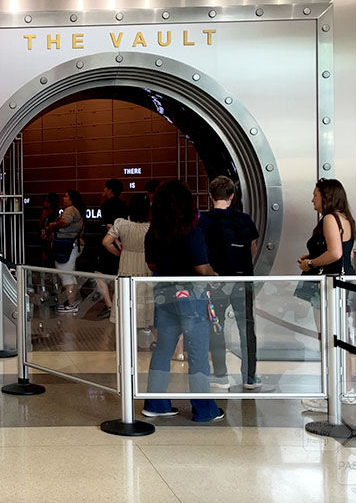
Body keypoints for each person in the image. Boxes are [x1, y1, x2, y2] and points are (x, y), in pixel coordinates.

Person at [141, 180, 224, 423]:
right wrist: (214, 274)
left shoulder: (153, 233)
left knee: (163, 349)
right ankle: (204, 409)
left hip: (164, 295)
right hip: (192, 298)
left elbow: (152, 265)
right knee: (197, 353)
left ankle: (155, 403)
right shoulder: (191, 230)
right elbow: (201, 267)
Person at [296, 178, 356, 412]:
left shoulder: (330, 219)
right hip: (342, 283)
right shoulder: (345, 218)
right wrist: (313, 257)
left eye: (316, 195)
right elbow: (346, 256)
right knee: (340, 339)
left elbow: (335, 253)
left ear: (327, 196)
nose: (312, 199)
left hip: (328, 286)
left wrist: (311, 263)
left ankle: (331, 394)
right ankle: (345, 390)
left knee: (329, 340)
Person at [199, 176, 260, 390]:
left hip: (214, 282)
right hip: (242, 279)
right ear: (232, 196)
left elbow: (199, 251)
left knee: (216, 326)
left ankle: (221, 375)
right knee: (247, 327)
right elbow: (252, 247)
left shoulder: (203, 221)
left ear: (210, 196)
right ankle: (249, 376)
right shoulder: (244, 220)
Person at [102, 193, 152, 329]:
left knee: (126, 296)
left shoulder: (121, 223)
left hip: (126, 263)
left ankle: (127, 333)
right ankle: (145, 329)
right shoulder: (151, 227)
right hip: (145, 264)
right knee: (145, 297)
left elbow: (106, 242)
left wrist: (119, 253)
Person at [94, 179, 129, 319]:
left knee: (98, 274)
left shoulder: (107, 205)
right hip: (122, 241)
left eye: (105, 188)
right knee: (117, 274)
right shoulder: (123, 205)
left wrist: (115, 241)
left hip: (110, 242)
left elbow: (110, 226)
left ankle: (110, 305)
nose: (103, 190)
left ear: (110, 190)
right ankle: (116, 305)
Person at [47, 190, 86, 313]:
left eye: (65, 196)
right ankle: (74, 300)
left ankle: (72, 303)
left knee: (65, 274)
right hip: (73, 245)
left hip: (68, 245)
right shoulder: (76, 210)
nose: (63, 198)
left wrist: (53, 225)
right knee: (69, 273)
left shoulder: (70, 210)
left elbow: (64, 222)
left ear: (71, 198)